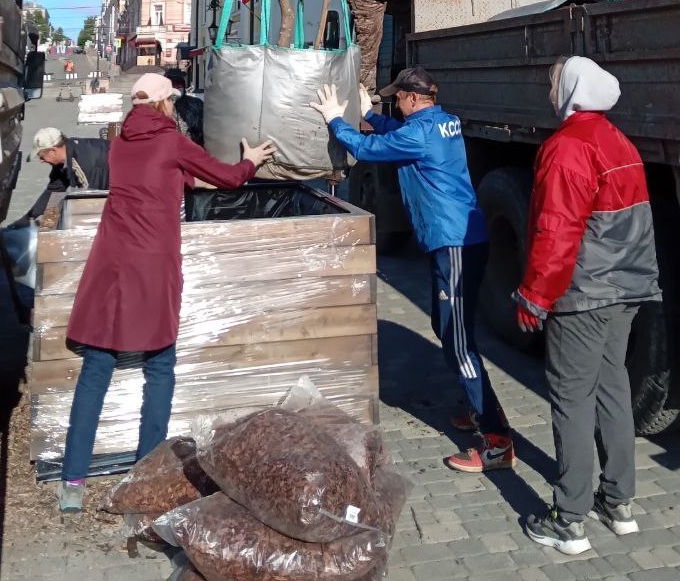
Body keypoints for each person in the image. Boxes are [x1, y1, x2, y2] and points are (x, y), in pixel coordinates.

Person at [58, 73, 274, 511]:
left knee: (96, 368)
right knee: (160, 365)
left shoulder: (120, 143)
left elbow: (152, 182)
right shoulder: (172, 142)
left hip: (108, 266)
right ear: (163, 104)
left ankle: (72, 482)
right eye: (171, 102)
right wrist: (250, 160)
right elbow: (230, 179)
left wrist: (183, 179)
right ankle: (144, 475)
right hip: (151, 269)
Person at [311, 66, 514, 474]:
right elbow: (401, 135)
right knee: (446, 328)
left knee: (457, 341)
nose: (396, 104)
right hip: (460, 238)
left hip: (453, 242)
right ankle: (477, 405)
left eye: (397, 99)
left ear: (412, 98)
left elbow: (369, 150)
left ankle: (495, 439)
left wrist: (336, 118)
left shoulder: (418, 134)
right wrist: (373, 117)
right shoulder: (443, 122)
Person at [516, 56, 660, 556]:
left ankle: (568, 518)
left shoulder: (567, 147)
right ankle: (618, 503)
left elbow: (557, 231)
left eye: (554, 81)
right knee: (612, 387)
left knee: (571, 399)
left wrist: (535, 296)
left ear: (573, 89)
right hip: (626, 289)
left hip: (583, 295)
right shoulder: (618, 141)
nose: (549, 89)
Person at [26, 127, 110, 221]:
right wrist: (29, 217)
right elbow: (55, 189)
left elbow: (94, 203)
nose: (41, 161)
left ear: (53, 151)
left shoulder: (83, 164)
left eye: (41, 156)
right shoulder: (68, 152)